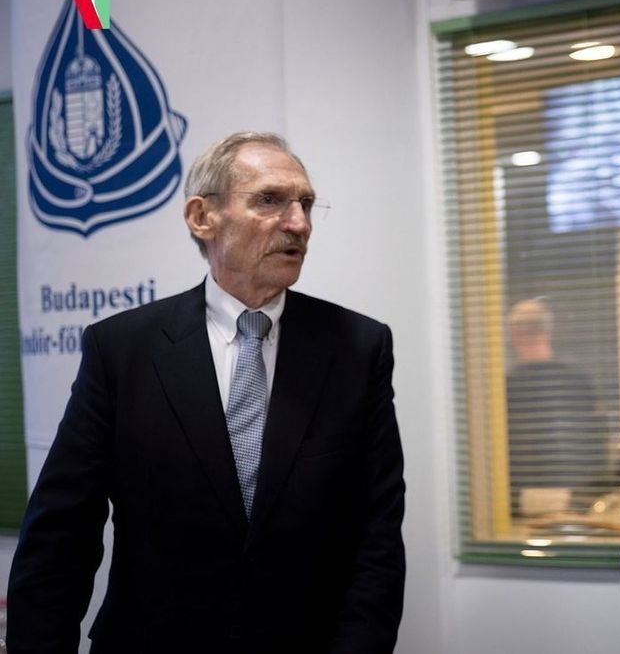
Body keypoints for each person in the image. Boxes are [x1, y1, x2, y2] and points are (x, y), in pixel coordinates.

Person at [7, 132, 406, 653]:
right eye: (270, 200)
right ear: (202, 217)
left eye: (306, 203)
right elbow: (61, 533)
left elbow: (377, 536)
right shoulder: (122, 349)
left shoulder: (357, 348)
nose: (299, 223)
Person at [505, 297, 607, 516]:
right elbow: (598, 443)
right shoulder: (579, 381)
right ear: (548, 331)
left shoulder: (504, 388)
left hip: (521, 501)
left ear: (513, 335)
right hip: (574, 498)